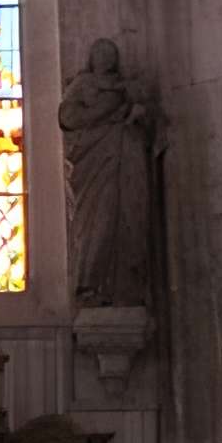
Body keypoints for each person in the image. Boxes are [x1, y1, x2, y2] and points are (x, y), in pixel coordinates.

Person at [58, 37, 162, 308]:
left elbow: (150, 125)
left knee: (130, 219)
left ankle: (127, 288)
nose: (105, 58)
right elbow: (68, 118)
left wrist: (135, 114)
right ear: (91, 58)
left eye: (109, 53)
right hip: (94, 164)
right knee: (97, 224)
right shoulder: (82, 85)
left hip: (126, 161)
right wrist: (106, 110)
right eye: (100, 53)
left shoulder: (128, 89)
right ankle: (90, 286)